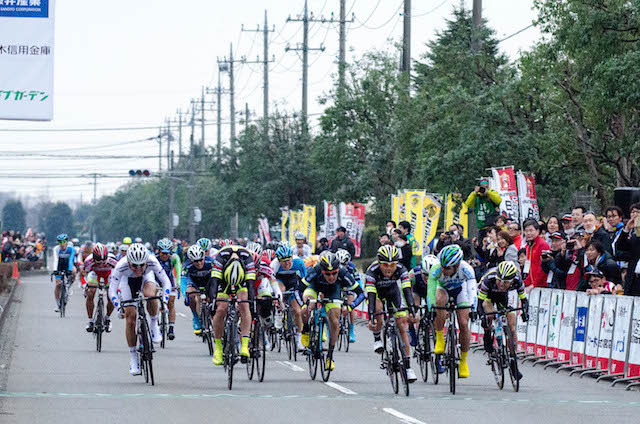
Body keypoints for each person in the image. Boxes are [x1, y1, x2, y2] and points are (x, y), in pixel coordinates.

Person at [108, 244, 171, 375]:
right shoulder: (121, 265)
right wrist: (118, 306)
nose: (138, 269)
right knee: (131, 318)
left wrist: (164, 301)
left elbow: (166, 282)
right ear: (128, 262)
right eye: (134, 266)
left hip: (146, 278)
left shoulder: (152, 261)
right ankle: (133, 357)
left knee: (151, 295)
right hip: (127, 282)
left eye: (141, 265)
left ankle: (154, 324)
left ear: (146, 261)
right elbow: (112, 290)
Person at [299, 252, 365, 371]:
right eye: (327, 274)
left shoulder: (344, 273)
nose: (331, 277)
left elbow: (361, 293)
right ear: (322, 270)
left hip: (333, 291)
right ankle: (306, 330)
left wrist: (350, 306)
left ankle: (329, 356)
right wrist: (303, 304)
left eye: (334, 273)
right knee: (308, 305)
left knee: (335, 321)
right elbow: (299, 289)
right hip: (314, 287)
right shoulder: (316, 270)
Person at [365, 245, 418, 383]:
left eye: (392, 264)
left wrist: (411, 309)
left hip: (393, 293)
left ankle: (407, 367)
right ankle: (377, 338)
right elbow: (370, 296)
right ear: (379, 262)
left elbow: (407, 291)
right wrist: (372, 316)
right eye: (385, 265)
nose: (389, 268)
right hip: (377, 294)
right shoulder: (372, 271)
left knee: (401, 325)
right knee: (378, 308)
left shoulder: (401, 270)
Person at [429, 244, 477, 378]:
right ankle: (439, 338)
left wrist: (472, 307)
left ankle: (463, 361)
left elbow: (472, 290)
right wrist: (431, 308)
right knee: (439, 301)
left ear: (456, 266)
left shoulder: (466, 269)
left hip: (460, 291)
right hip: (443, 289)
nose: (443, 270)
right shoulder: (436, 269)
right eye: (442, 267)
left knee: (463, 323)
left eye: (447, 268)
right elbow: (431, 291)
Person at [477, 261, 529, 380]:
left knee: (511, 326)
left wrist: (526, 312)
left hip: (504, 297)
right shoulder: (489, 279)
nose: (501, 284)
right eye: (499, 280)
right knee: (489, 314)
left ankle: (513, 360)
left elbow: (524, 300)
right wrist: (482, 316)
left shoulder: (517, 280)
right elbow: (480, 303)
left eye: (505, 282)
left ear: (511, 281)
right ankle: (487, 333)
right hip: (487, 295)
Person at [209, 245, 256, 365]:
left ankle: (244, 345)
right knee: (221, 309)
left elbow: (251, 286)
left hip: (242, 281)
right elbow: (214, 283)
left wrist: (251, 304)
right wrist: (213, 302)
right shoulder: (220, 258)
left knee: (244, 305)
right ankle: (218, 348)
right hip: (223, 281)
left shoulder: (248, 259)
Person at [271, 245, 308, 351]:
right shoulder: (274, 265)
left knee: (297, 311)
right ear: (278, 260)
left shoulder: (298, 262)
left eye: (288, 260)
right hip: (279, 280)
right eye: (283, 261)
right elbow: (271, 282)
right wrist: (276, 298)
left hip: (292, 279)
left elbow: (305, 281)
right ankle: (279, 313)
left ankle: (298, 340)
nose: (287, 263)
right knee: (280, 291)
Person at [82, 243, 118, 333]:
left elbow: (119, 274)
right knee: (91, 292)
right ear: (94, 257)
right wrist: (84, 286)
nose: (101, 263)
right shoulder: (88, 261)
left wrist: (118, 288)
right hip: (95, 274)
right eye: (98, 261)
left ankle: (107, 318)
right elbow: (83, 274)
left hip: (108, 274)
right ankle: (90, 321)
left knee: (111, 296)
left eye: (103, 261)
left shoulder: (112, 260)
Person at [181, 244, 214, 334]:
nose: (199, 263)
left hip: (208, 281)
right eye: (196, 261)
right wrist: (186, 294)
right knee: (191, 294)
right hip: (194, 282)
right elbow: (183, 281)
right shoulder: (187, 266)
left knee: (211, 298)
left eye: (201, 260)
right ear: (191, 261)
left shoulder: (210, 262)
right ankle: (196, 316)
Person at [156, 238, 182, 340]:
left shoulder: (174, 258)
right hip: (157, 281)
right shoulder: (154, 258)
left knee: (171, 303)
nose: (164, 255)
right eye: (162, 252)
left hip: (169, 281)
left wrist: (178, 283)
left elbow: (178, 271)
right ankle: (156, 320)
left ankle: (171, 328)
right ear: (159, 251)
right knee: (154, 301)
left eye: (167, 253)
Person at [336, 249, 361, 343]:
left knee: (350, 305)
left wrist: (359, 290)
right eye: (340, 264)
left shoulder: (352, 267)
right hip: (338, 286)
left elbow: (357, 281)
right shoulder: (334, 266)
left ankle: (351, 330)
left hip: (349, 286)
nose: (342, 267)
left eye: (344, 264)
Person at [615, 202, 640, 295]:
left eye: (637, 212)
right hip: (633, 278)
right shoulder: (634, 236)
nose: (634, 215)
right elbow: (620, 247)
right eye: (632, 212)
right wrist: (626, 230)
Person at [522, 219, 550, 289]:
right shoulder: (528, 246)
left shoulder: (543, 245)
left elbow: (542, 268)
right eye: (526, 231)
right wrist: (525, 283)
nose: (528, 233)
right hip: (531, 285)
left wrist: (534, 284)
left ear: (537, 231)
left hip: (541, 286)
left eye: (531, 230)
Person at [52, 234, 76, 312]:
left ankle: (69, 286)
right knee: (58, 284)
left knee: (74, 271)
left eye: (64, 242)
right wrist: (55, 270)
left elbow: (71, 260)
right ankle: (57, 304)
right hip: (59, 265)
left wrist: (69, 270)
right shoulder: (56, 249)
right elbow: (55, 260)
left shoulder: (71, 249)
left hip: (68, 265)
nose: (62, 244)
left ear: (66, 242)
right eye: (60, 242)